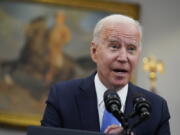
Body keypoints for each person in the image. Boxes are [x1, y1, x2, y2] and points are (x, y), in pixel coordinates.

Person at [41, 14, 171, 135]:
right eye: (114, 46)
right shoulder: (63, 96)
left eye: (131, 49)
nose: (123, 57)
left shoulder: (156, 108)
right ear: (94, 51)